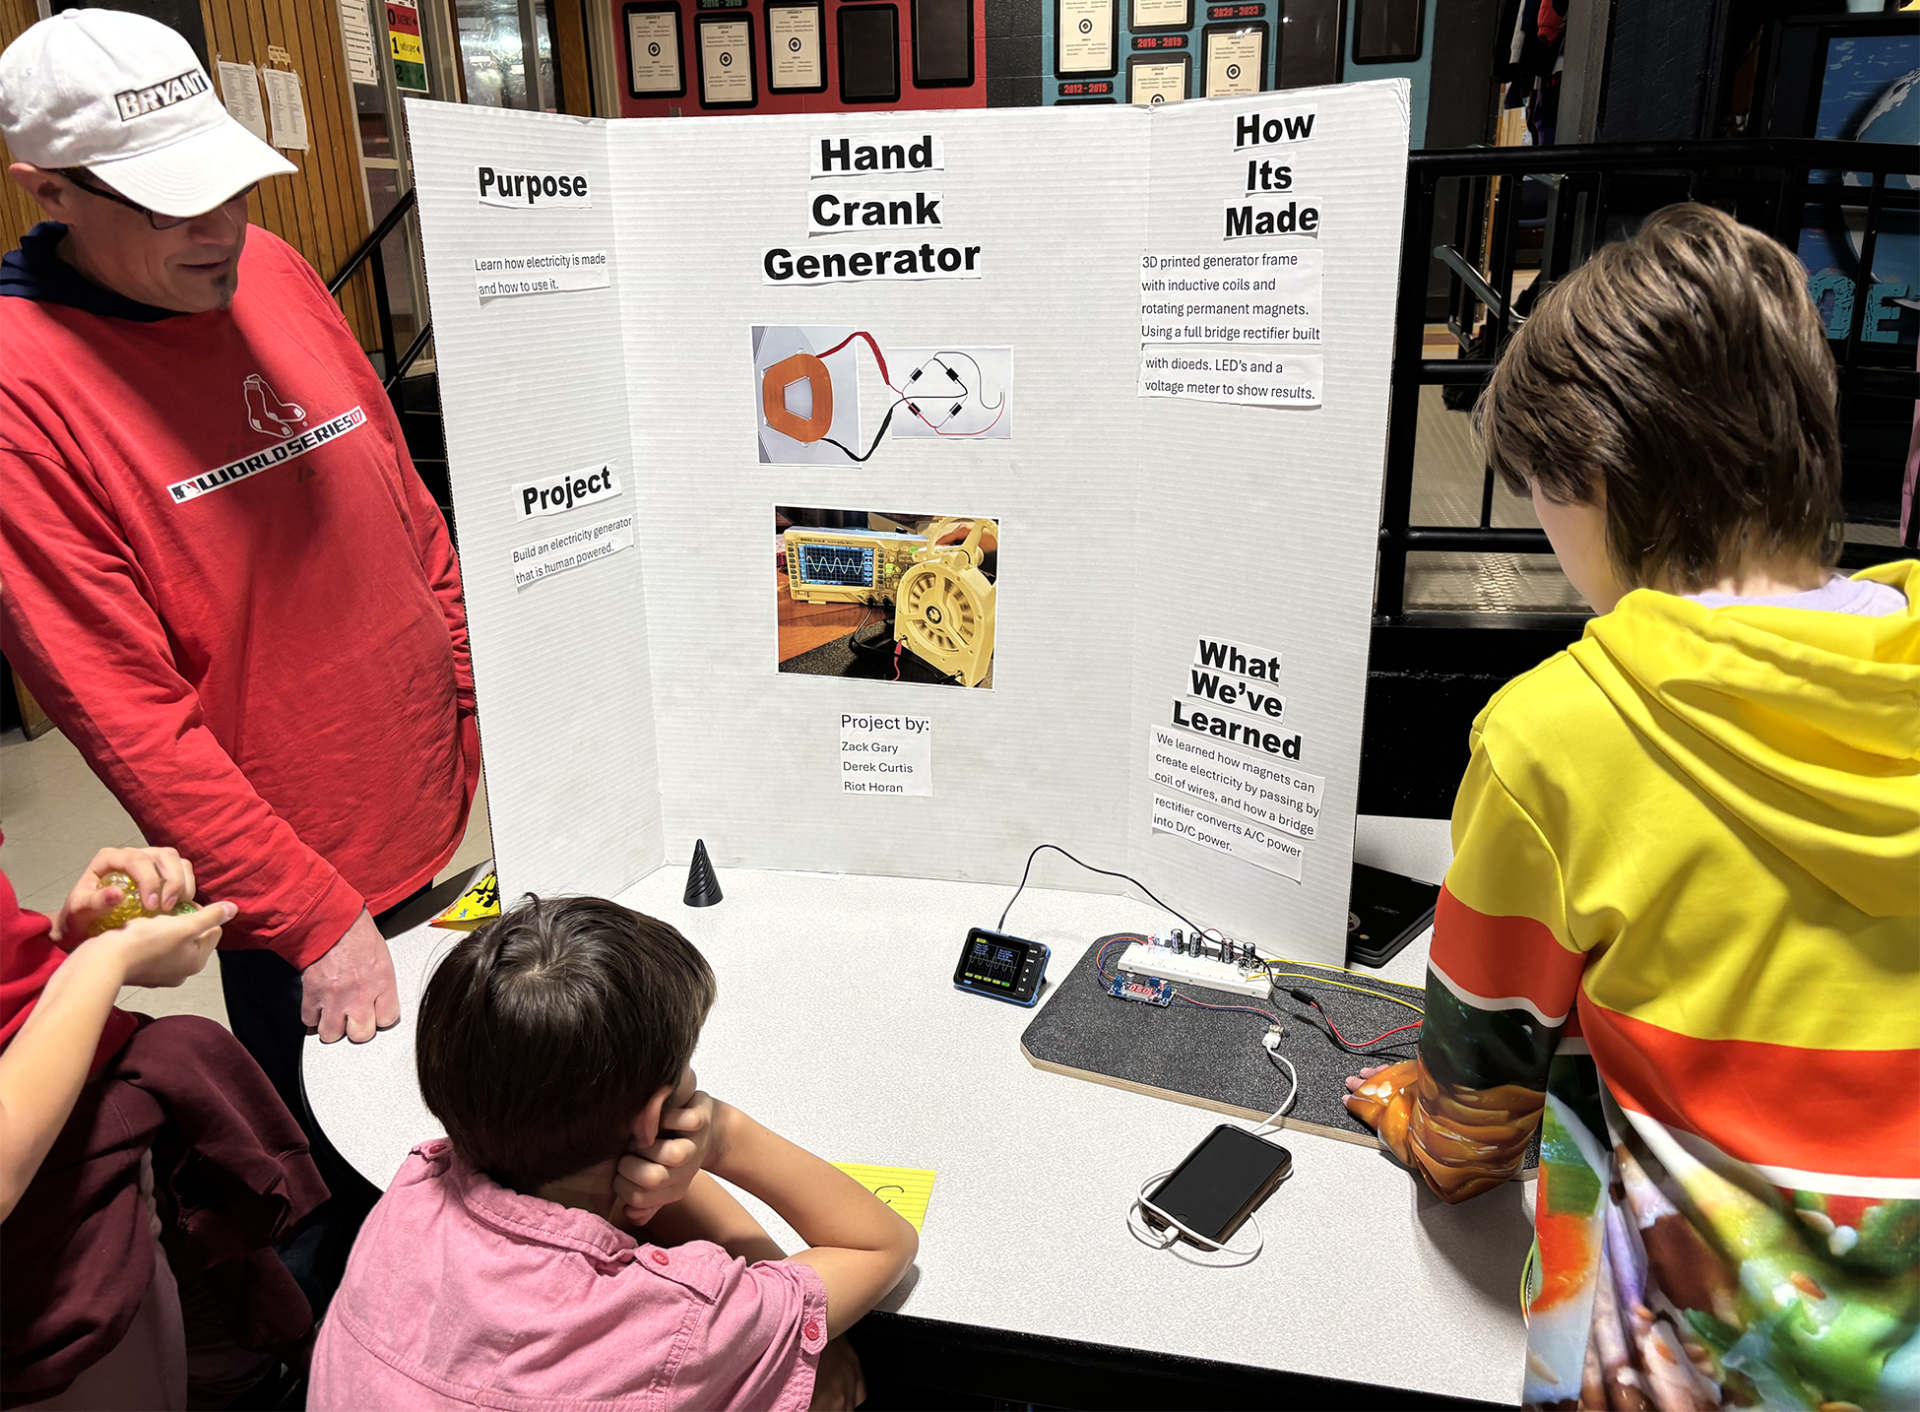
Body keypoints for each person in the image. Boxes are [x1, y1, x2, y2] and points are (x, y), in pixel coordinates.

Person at [1342, 204, 1920, 1409]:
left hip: (1680, 1370)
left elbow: (1473, 1125)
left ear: (1593, 476)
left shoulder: (1556, 734)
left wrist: (1413, 1117)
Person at [0, 8, 477, 1290]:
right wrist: (315, 917)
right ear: (48, 190)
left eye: (227, 184)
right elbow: (129, 719)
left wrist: (468, 703)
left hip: (432, 811)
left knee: (465, 1165)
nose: (218, 227)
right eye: (170, 204)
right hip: (295, 895)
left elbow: (402, 500)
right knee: (335, 1205)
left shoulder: (266, 266)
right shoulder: (20, 386)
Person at [309, 896, 918, 1411]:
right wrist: (724, 1135)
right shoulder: (679, 1324)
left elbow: (612, 1190)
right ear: (655, 1116)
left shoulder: (416, 1188)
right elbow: (881, 1245)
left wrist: (793, 1333)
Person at [0, 836, 327, 1408]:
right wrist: (104, 963)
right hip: (41, 1237)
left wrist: (60, 933)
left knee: (219, 1336)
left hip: (96, 1119)